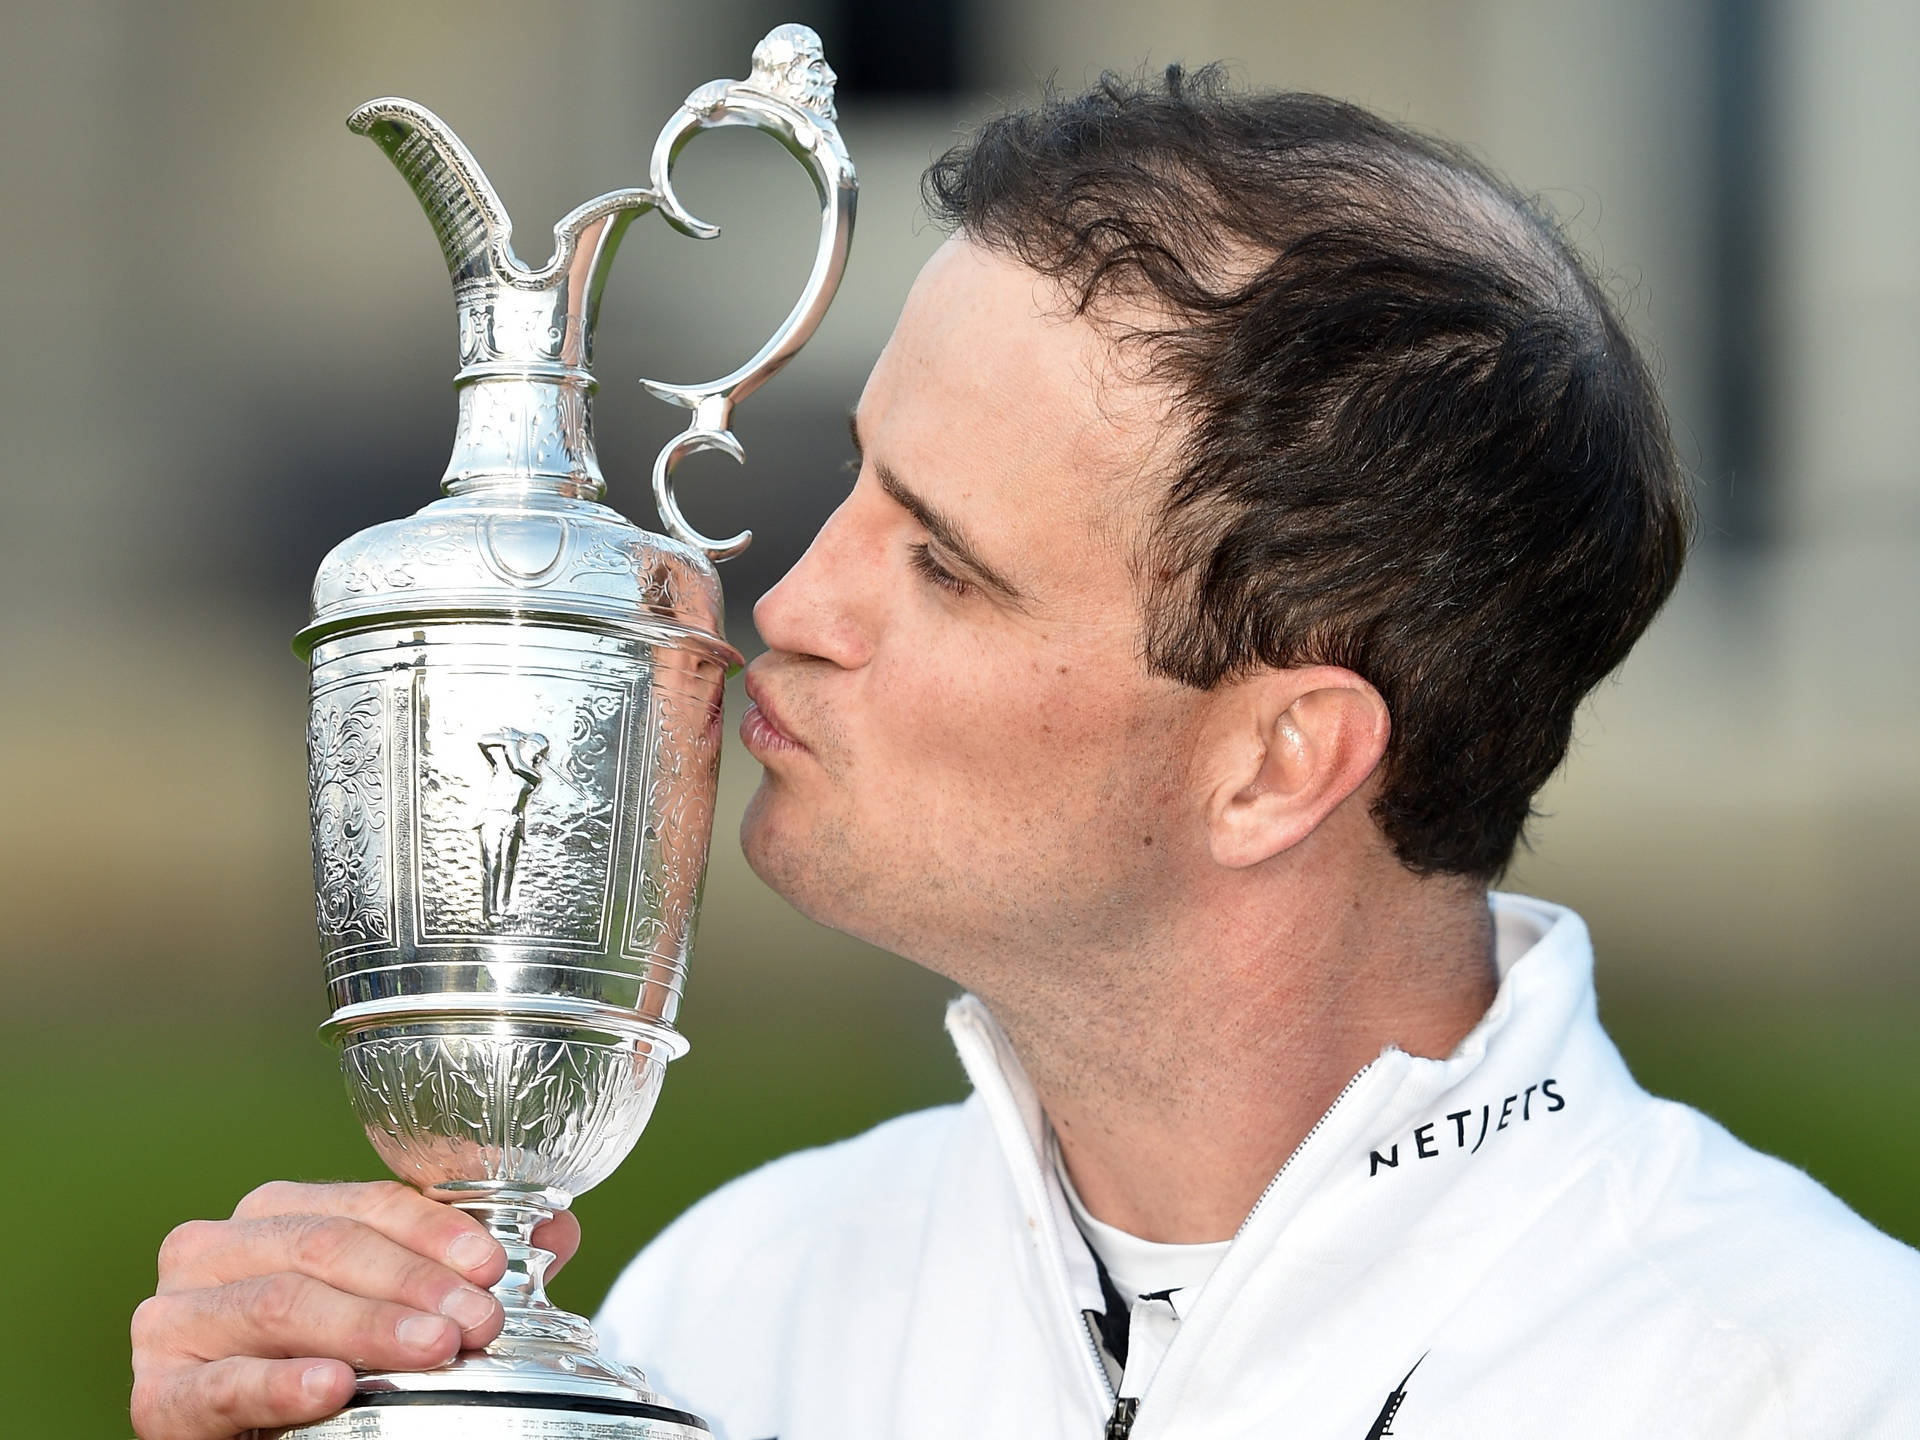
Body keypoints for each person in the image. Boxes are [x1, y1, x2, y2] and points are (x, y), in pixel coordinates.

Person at [130, 70, 1920, 1440]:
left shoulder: (1805, 1382)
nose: (793, 603)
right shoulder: (734, 1309)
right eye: (850, 484)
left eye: (944, 563)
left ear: (1282, 761)